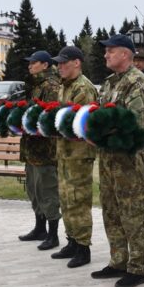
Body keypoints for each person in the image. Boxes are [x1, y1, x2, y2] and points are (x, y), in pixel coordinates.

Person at [91, 34, 144, 287]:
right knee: (111, 211)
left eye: (111, 51)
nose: (106, 55)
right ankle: (118, 260)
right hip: (107, 158)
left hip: (128, 160)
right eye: (106, 51)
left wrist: (100, 130)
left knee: (133, 214)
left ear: (126, 54)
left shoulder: (136, 83)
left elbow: (133, 123)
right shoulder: (109, 83)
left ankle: (138, 268)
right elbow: (99, 112)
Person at [48, 46, 99, 269]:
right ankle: (72, 240)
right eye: (58, 63)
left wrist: (53, 123)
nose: (59, 67)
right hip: (64, 152)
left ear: (77, 63)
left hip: (79, 154)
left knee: (78, 200)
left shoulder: (83, 88)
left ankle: (83, 247)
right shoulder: (65, 86)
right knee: (66, 199)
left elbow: (80, 122)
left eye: (63, 63)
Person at [17, 51, 62, 251]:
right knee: (34, 190)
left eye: (33, 63)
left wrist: (30, 120)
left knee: (47, 191)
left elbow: (49, 116)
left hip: (45, 151)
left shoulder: (51, 86)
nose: (29, 66)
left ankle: (53, 234)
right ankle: (40, 228)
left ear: (45, 65)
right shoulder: (35, 85)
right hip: (32, 149)